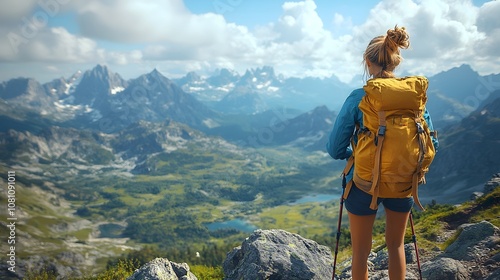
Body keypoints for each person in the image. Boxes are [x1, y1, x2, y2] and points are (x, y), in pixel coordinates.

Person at [326, 26, 439, 280]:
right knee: (396, 246)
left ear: (367, 61)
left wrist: (354, 152)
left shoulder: (359, 97)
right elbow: (433, 143)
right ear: (396, 60)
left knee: (360, 253)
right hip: (403, 182)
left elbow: (334, 148)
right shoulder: (413, 98)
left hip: (364, 183)